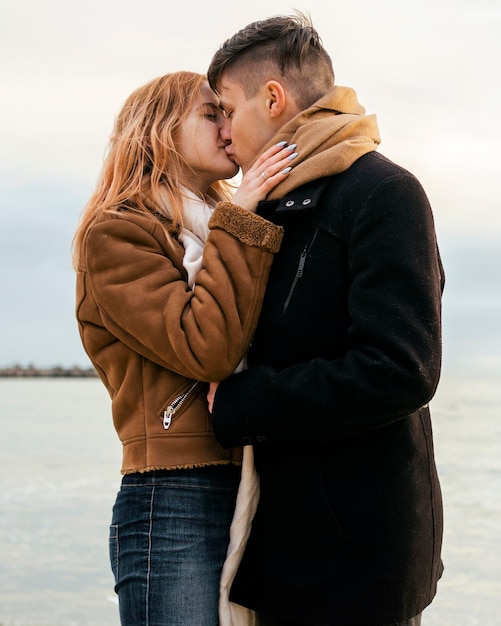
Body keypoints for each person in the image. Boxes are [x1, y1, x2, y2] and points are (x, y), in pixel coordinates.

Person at [206, 13, 445, 626]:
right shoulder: (271, 206)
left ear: (274, 98)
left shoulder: (383, 193)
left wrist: (243, 402)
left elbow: (400, 369)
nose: (224, 131)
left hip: (356, 557)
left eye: (227, 109)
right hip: (285, 544)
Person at [72, 70, 300, 626]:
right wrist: (240, 217)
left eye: (228, 113)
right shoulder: (117, 234)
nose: (229, 129)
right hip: (172, 498)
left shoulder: (218, 227)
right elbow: (209, 349)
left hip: (255, 479)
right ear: (158, 131)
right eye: (211, 114)